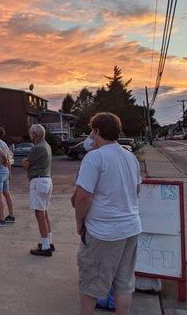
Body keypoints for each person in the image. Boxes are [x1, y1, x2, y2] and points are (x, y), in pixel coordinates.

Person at [74, 112, 142, 315]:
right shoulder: (130, 157)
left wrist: (79, 223)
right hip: (131, 229)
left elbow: (82, 197)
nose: (91, 137)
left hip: (104, 231)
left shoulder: (94, 157)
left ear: (97, 131)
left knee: (90, 284)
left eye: (92, 132)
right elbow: (136, 190)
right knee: (124, 283)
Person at [23, 124, 54, 256]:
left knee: (39, 214)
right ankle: (49, 241)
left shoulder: (37, 147)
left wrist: (26, 161)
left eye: (31, 133)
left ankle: (46, 246)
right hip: (46, 180)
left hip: (38, 181)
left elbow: (25, 165)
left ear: (36, 135)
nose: (30, 135)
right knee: (44, 212)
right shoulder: (46, 145)